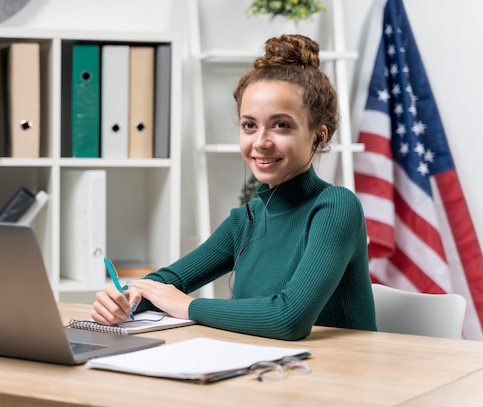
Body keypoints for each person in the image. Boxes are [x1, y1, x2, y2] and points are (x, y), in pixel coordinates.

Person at [92, 35, 377, 340]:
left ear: (318, 136)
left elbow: (289, 317)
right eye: (249, 125)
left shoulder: (335, 207)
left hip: (341, 377)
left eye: (281, 125)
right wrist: (123, 298)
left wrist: (189, 306)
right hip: (269, 369)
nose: (260, 142)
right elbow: (166, 283)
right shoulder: (247, 219)